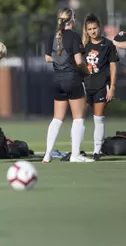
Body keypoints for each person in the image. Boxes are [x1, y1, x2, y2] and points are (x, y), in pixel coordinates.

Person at [42, 8, 93, 163]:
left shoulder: (52, 36)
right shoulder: (75, 36)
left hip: (57, 80)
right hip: (72, 79)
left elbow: (48, 59)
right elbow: (79, 62)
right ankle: (75, 155)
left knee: (57, 118)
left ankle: (47, 154)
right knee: (78, 118)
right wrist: (87, 71)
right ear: (73, 20)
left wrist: (62, 59)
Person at [82, 13, 118, 161]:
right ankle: (76, 149)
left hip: (101, 86)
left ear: (100, 28)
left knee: (98, 118)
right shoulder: (82, 45)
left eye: (94, 28)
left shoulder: (108, 45)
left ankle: (97, 150)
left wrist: (113, 87)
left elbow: (113, 67)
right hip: (84, 87)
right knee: (79, 119)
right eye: (89, 29)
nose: (92, 31)